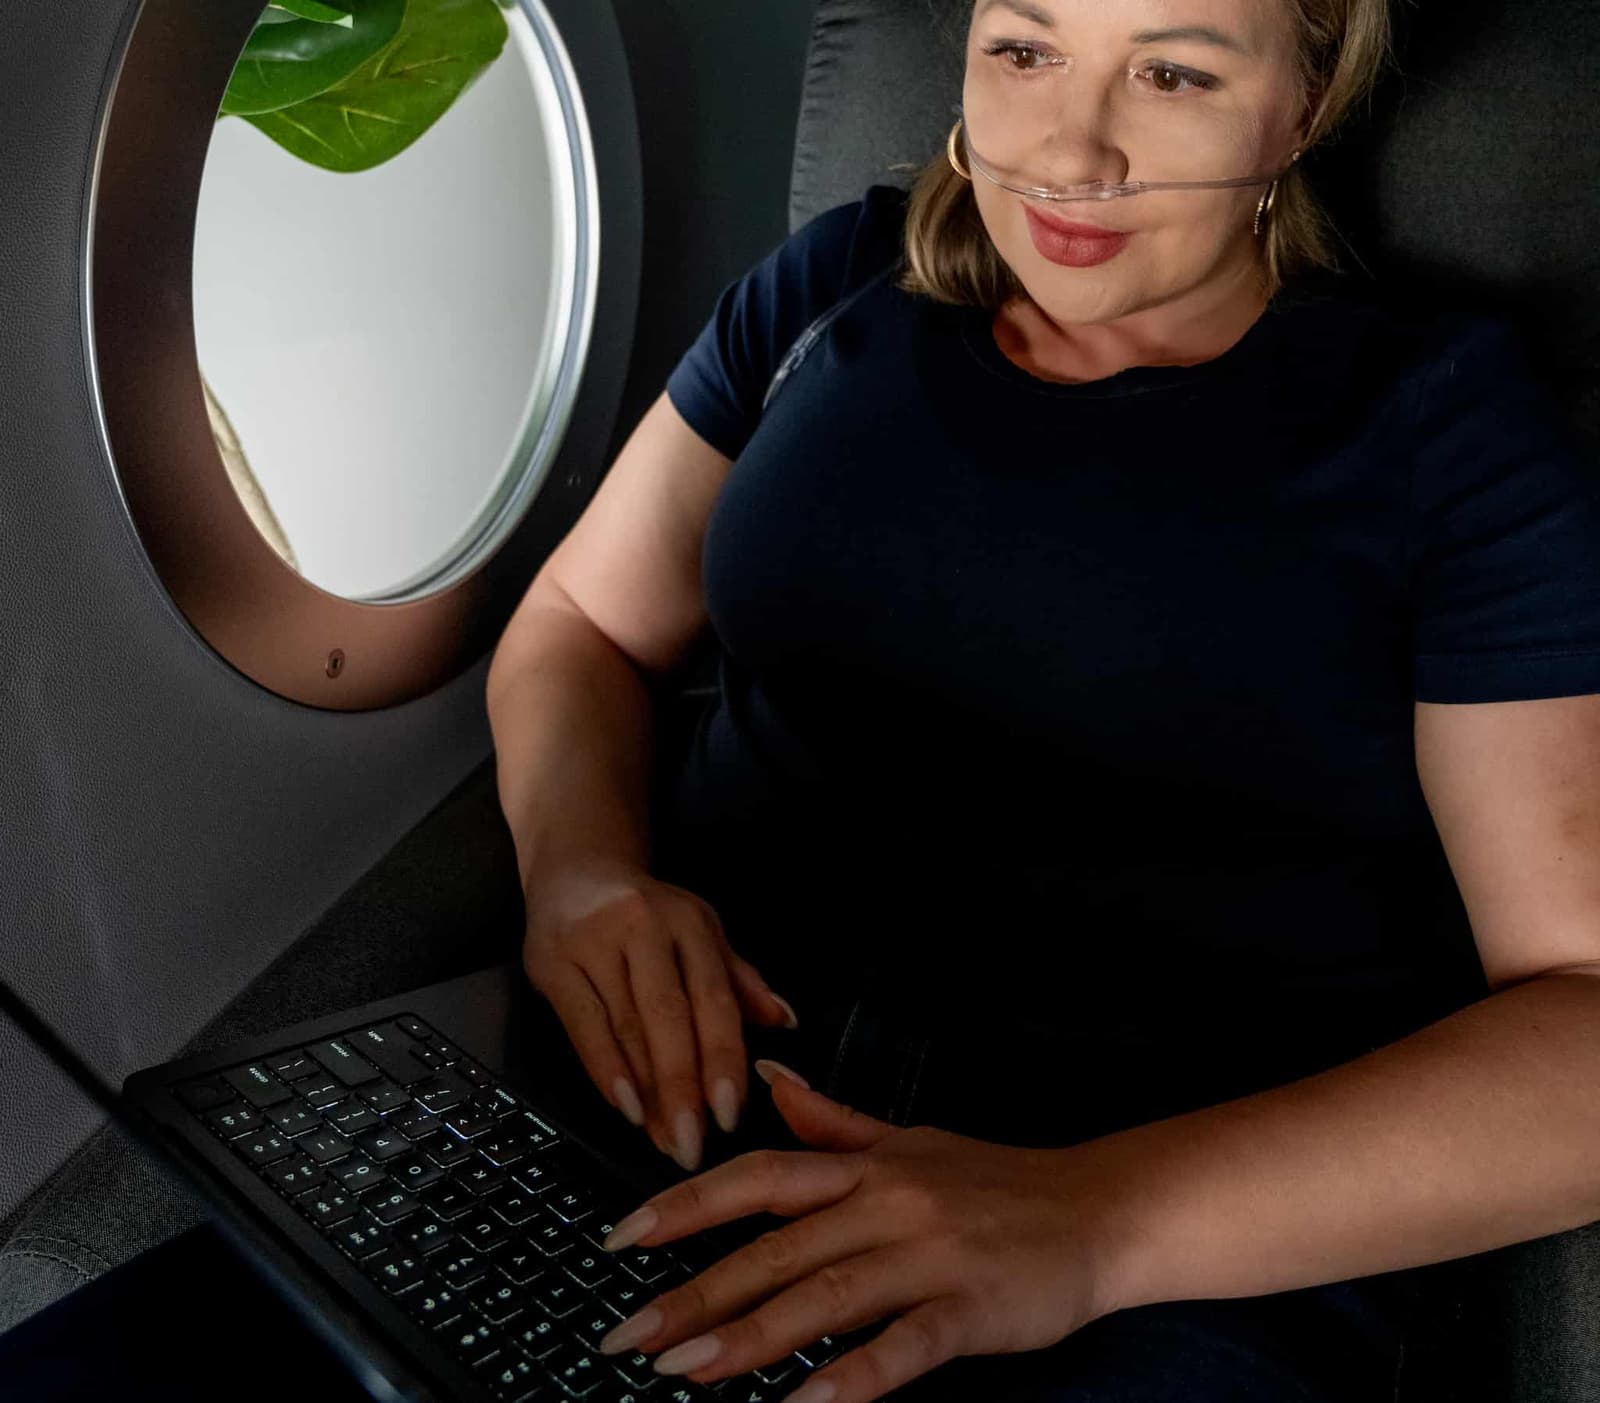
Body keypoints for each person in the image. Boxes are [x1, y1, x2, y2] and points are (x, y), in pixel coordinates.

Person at [485, 0, 1600, 1400]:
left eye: (1177, 74)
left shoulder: (1441, 428)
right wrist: (580, 873)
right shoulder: (833, 285)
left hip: (1151, 1240)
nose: (1072, 154)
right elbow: (583, 621)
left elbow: (1586, 1022)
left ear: (1303, 106)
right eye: (1024, 51)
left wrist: (1091, 1224)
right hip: (669, 1114)